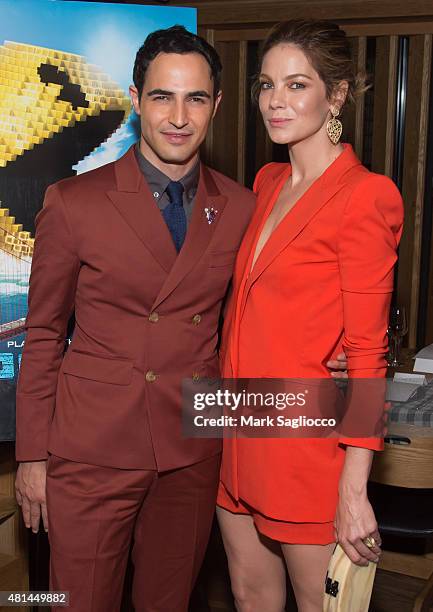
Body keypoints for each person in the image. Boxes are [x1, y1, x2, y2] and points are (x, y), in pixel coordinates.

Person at [14, 26, 256, 612]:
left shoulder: (240, 206)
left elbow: (254, 314)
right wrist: (30, 456)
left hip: (190, 449)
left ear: (216, 105)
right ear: (135, 98)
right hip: (92, 449)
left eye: (195, 98)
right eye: (162, 97)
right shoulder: (74, 202)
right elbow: (45, 333)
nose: (178, 116)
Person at [216, 19, 404, 612]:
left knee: (320, 604)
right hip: (236, 429)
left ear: (338, 94)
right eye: (267, 85)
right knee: (249, 596)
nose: (276, 101)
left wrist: (355, 489)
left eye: (297, 85)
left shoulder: (366, 194)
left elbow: (370, 352)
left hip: (307, 446)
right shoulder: (267, 181)